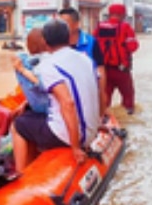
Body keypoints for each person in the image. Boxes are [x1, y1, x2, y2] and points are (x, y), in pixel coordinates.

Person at [11, 19, 100, 173]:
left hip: (67, 136)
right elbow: (96, 92)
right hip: (91, 132)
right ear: (68, 37)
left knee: (18, 125)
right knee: (31, 116)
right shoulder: (86, 59)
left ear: (45, 42)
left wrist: (75, 147)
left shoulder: (49, 65)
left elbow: (68, 103)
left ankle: (20, 174)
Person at [58, 7, 108, 116]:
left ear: (77, 24)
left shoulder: (91, 42)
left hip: (87, 91)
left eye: (65, 23)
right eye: (59, 23)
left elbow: (100, 69)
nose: (61, 27)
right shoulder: (56, 43)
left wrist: (102, 92)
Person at [93, 3, 140, 115]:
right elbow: (132, 47)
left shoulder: (99, 28)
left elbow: (93, 45)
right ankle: (128, 116)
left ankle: (105, 117)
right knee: (128, 95)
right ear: (122, 15)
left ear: (110, 14)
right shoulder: (126, 27)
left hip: (103, 69)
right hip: (121, 69)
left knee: (105, 95)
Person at [11, 27, 49, 114]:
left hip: (44, 107)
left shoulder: (27, 61)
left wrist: (22, 70)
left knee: (20, 58)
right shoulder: (54, 58)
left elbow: (41, 83)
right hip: (50, 102)